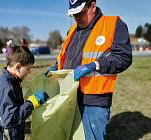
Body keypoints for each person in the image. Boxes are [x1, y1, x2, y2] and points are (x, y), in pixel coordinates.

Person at [47, 0, 132, 140]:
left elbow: (124, 57)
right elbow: (65, 56)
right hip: (69, 95)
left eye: (80, 13)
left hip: (95, 100)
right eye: (74, 15)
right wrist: (56, 68)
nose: (77, 18)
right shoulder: (72, 30)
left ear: (92, 5)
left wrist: (95, 65)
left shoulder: (113, 24)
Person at [0, 46, 49, 140]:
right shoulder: (5, 85)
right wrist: (31, 103)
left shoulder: (12, 81)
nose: (29, 72)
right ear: (18, 67)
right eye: (28, 68)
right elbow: (8, 120)